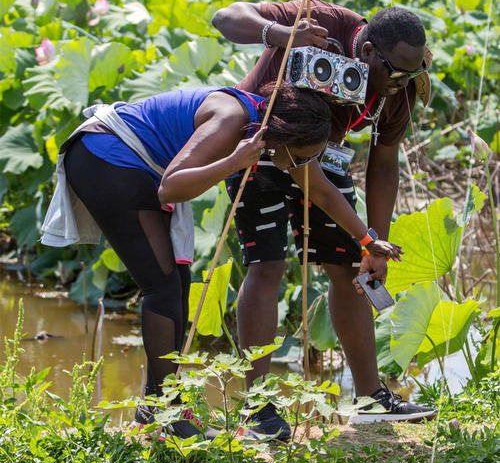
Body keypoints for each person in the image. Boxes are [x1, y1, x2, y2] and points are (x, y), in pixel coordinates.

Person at [41, 82, 401, 439]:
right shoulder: (232, 120)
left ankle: (157, 409)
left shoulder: (275, 136)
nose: (304, 165)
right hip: (109, 153)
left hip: (138, 163)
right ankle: (166, 412)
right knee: (162, 287)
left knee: (176, 284)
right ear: (283, 139)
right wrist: (233, 162)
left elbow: (321, 190)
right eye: (302, 157)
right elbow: (170, 187)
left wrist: (369, 241)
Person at [212, 0, 437, 437]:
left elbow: (384, 164)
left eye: (414, 74)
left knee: (350, 265)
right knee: (267, 264)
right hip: (262, 142)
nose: (404, 84)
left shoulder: (400, 82)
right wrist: (282, 36)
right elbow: (225, 17)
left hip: (323, 157)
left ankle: (372, 397)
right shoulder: (323, 21)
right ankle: (257, 408)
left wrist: (375, 241)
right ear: (367, 51)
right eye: (397, 73)